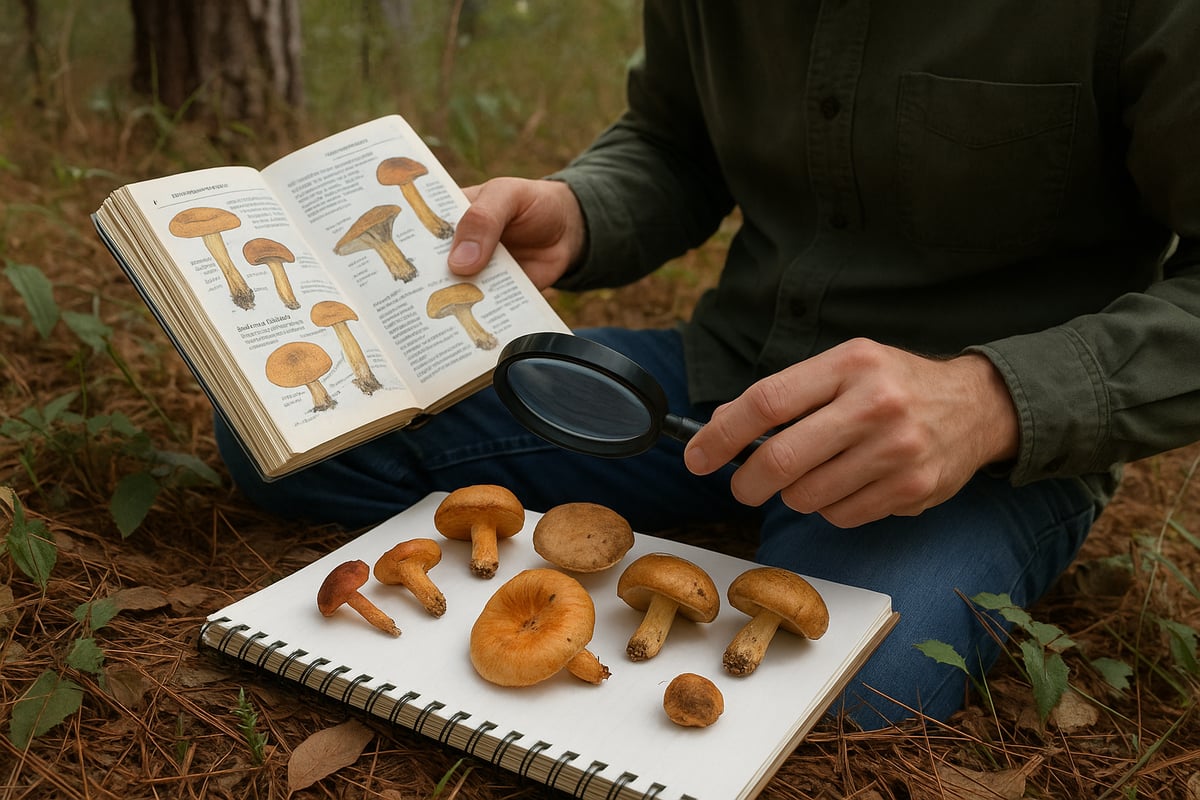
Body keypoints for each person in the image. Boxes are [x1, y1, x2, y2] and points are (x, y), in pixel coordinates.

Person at [215, 2, 1200, 729]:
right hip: (723, 385)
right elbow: (673, 140)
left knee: (839, 694)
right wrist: (583, 209)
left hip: (973, 454)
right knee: (288, 435)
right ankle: (753, 526)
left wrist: (991, 399)